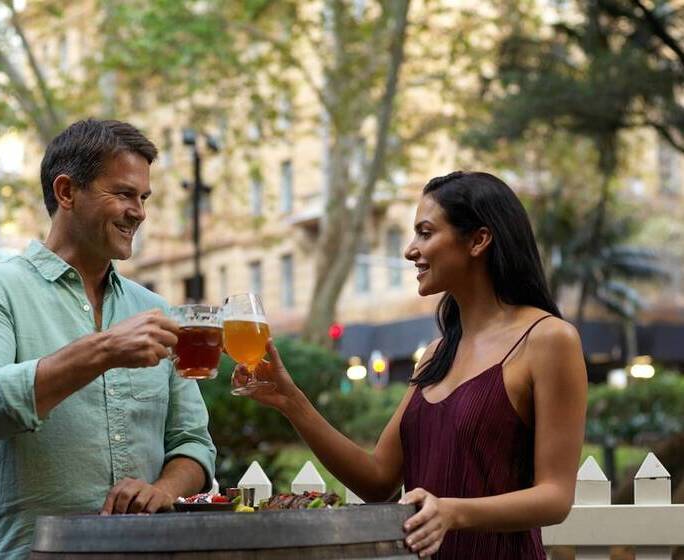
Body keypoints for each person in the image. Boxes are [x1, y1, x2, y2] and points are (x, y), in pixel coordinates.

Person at [233, 171, 587, 559]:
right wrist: (292, 403)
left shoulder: (549, 339)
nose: (409, 250)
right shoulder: (437, 354)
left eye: (425, 232)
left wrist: (454, 513)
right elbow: (378, 481)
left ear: (479, 240)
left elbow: (555, 497)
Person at [0, 119, 216, 560]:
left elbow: (193, 442)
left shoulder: (156, 310)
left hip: (148, 552)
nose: (140, 212)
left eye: (144, 197)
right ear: (67, 192)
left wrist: (164, 489)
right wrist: (103, 350)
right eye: (124, 194)